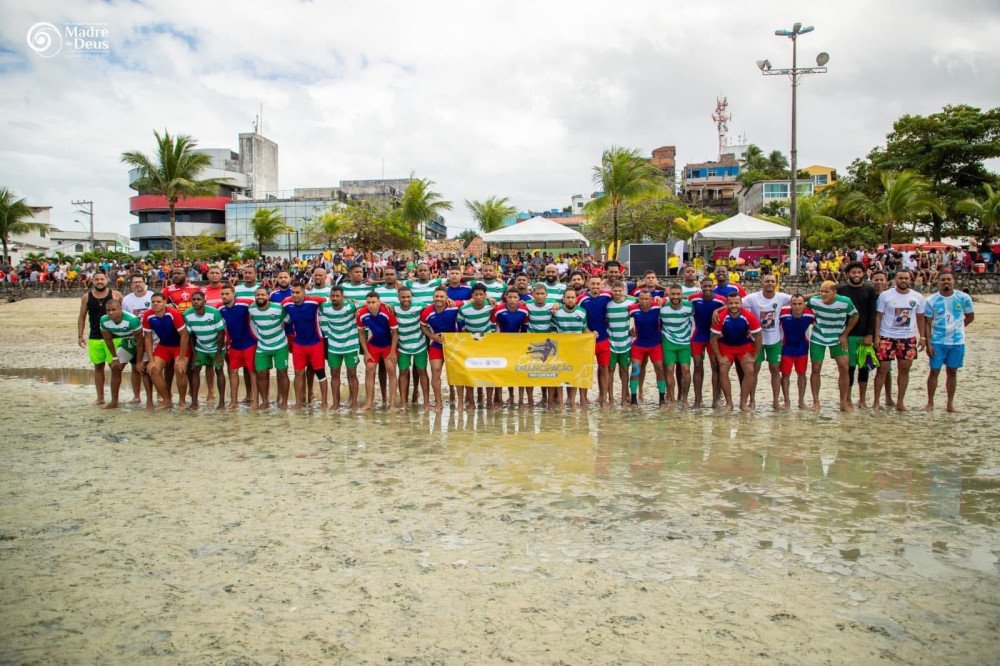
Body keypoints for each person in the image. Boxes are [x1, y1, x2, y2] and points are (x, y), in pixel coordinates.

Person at [873, 270, 926, 412]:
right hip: (887, 336)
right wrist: (876, 336)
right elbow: (878, 316)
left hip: (907, 338)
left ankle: (900, 402)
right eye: (900, 277)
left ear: (910, 280)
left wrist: (922, 337)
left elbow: (921, 317)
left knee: (904, 370)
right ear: (895, 279)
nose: (903, 280)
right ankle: (876, 401)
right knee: (882, 370)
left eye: (906, 278)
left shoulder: (918, 297)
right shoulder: (885, 295)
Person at [924, 272, 974, 412]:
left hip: (957, 342)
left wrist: (958, 328)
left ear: (953, 282)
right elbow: (927, 323)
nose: (946, 282)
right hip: (937, 342)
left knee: (952, 372)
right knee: (934, 371)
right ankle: (930, 403)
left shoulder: (963, 298)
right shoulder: (931, 300)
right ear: (938, 282)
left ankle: (950, 403)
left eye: (948, 279)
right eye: (943, 280)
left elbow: (970, 316)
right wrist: (928, 343)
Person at [806, 281, 859, 412]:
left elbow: (855, 315)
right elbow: (797, 300)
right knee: (816, 367)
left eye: (826, 291)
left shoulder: (845, 301)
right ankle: (816, 401)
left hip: (837, 337)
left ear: (835, 292)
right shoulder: (814, 301)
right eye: (822, 291)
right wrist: (816, 294)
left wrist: (845, 334)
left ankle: (843, 401)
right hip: (818, 336)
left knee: (844, 367)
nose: (823, 294)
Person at [742, 274, 791, 410]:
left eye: (772, 281)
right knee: (754, 371)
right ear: (762, 283)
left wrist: (820, 294)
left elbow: (800, 300)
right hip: (756, 340)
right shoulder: (753, 298)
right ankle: (752, 400)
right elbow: (735, 304)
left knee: (775, 370)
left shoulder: (781, 297)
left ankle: (775, 402)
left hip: (774, 341)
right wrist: (718, 310)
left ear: (776, 283)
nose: (770, 283)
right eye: (767, 281)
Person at [77, 271, 124, 405]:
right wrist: (80, 335)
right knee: (98, 368)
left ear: (107, 280)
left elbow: (125, 313)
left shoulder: (116, 295)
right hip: (95, 337)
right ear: (92, 281)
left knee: (115, 368)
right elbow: (82, 316)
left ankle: (115, 398)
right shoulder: (86, 297)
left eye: (102, 279)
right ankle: (100, 397)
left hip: (115, 337)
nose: (99, 281)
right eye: (96, 279)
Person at [710, 292, 762, 412]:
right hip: (726, 346)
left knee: (750, 370)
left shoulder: (749, 316)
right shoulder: (721, 316)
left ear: (741, 304)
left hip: (744, 346)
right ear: (727, 304)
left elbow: (758, 336)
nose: (734, 306)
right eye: (731, 303)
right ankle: (729, 403)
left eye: (737, 303)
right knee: (723, 370)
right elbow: (713, 338)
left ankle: (743, 403)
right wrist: (719, 357)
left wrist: (754, 357)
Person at [838, 261, 879, 408]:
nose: (856, 275)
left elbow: (872, 314)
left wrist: (870, 335)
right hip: (846, 335)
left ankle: (862, 400)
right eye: (853, 272)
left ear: (864, 273)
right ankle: (847, 398)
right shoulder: (841, 289)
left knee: (864, 367)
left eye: (859, 272)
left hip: (864, 335)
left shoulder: (869, 290)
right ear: (847, 274)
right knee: (848, 368)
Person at [283, 282, 329, 409]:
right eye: (293, 292)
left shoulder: (313, 302)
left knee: (320, 372)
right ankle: (298, 402)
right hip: (299, 344)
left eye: (298, 292)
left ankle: (324, 403)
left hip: (316, 343)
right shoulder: (287, 303)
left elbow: (330, 299)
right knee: (298, 373)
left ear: (304, 292)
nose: (295, 295)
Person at [141, 293, 189, 410]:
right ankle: (167, 400)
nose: (155, 304)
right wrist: (151, 360)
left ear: (164, 302)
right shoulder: (148, 315)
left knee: (180, 369)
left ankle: (182, 401)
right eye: (153, 302)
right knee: (153, 370)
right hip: (164, 345)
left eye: (158, 302)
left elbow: (184, 335)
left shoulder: (173, 314)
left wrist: (182, 358)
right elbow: (147, 338)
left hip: (179, 345)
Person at [182, 291, 226, 410]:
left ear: (204, 301)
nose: (196, 301)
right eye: (194, 299)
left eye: (198, 299)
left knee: (219, 370)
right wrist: (194, 354)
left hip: (216, 346)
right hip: (200, 346)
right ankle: (194, 402)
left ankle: (221, 402)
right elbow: (191, 336)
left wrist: (218, 354)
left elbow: (221, 333)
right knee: (195, 370)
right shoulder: (187, 314)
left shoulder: (214, 313)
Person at [421, 287, 463, 411]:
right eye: (436, 296)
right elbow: (423, 326)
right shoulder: (427, 311)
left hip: (453, 345)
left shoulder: (454, 306)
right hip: (436, 344)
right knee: (436, 371)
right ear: (433, 297)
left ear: (446, 298)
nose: (439, 299)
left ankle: (460, 402)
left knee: (456, 373)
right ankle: (438, 402)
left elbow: (471, 300)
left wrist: (488, 298)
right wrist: (431, 336)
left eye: (441, 296)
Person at [356, 291, 399, 412]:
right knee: (369, 370)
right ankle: (369, 403)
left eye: (373, 302)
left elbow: (395, 333)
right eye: (368, 302)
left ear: (379, 302)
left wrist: (392, 352)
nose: (371, 305)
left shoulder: (387, 312)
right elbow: (361, 334)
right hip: (372, 345)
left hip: (388, 345)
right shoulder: (361, 314)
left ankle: (392, 404)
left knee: (391, 370)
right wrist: (366, 352)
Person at [98, 299, 145, 409]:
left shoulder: (132, 320)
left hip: (140, 343)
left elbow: (140, 342)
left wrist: (139, 361)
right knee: (115, 367)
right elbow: (108, 340)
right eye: (108, 310)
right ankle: (114, 401)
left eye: (114, 310)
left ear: (120, 309)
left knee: (142, 369)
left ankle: (143, 399)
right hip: (126, 342)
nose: (110, 313)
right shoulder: (104, 320)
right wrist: (114, 358)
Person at [319, 285, 361, 410]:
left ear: (343, 297)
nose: (335, 298)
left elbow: (368, 304)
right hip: (333, 346)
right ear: (329, 297)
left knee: (352, 373)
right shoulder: (324, 308)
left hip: (350, 345)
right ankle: (336, 403)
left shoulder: (352, 306)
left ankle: (354, 402)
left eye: (338, 296)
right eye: (333, 296)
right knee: (334, 373)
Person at [249, 286, 291, 409]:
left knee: (282, 372)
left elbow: (288, 320)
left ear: (268, 297)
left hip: (280, 345)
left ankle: (284, 401)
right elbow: (251, 323)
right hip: (262, 346)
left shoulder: (278, 308)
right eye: (258, 295)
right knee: (261, 373)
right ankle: (265, 401)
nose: (260, 297)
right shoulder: (251, 309)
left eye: (263, 295)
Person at [218, 285, 258, 409]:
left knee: (252, 372)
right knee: (233, 372)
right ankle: (234, 401)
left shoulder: (246, 304)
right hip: (234, 345)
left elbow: (261, 307)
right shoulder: (220, 309)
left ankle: (255, 401)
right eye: (222, 294)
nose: (224, 296)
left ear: (234, 294)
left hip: (249, 343)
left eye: (227, 294)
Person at [491, 288, 530, 408]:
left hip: (517, 343)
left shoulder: (524, 310)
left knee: (519, 371)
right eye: (510, 297)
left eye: (515, 297)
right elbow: (493, 326)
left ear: (519, 299)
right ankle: (500, 398)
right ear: (506, 298)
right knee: (501, 370)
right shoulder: (498, 310)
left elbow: (524, 328)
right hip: (501, 343)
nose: (512, 300)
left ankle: (520, 400)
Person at [578, 275, 613, 407]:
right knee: (585, 369)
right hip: (587, 341)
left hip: (603, 339)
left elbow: (624, 298)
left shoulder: (607, 296)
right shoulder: (582, 299)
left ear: (601, 285)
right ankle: (583, 399)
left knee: (604, 368)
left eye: (598, 284)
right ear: (588, 284)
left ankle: (603, 398)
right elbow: (574, 313)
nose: (596, 286)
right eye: (593, 284)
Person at [690, 277, 725, 408]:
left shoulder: (720, 300)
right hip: (698, 336)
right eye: (705, 286)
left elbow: (734, 304)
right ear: (701, 286)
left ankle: (716, 399)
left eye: (710, 286)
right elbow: (680, 300)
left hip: (713, 337)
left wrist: (717, 310)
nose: (707, 289)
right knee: (697, 366)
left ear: (714, 286)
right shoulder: (694, 298)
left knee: (715, 367)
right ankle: (698, 400)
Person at [627, 290, 666, 406]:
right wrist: (629, 331)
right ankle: (634, 399)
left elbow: (670, 300)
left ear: (651, 299)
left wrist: (662, 298)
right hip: (639, 345)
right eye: (641, 299)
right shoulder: (633, 309)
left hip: (655, 344)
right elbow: (621, 317)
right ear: (638, 299)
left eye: (647, 299)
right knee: (635, 370)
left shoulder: (657, 307)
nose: (644, 301)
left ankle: (662, 398)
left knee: (659, 369)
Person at [553, 286, 590, 408]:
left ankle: (572, 401)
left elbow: (584, 329)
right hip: (561, 349)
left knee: (574, 375)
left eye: (572, 297)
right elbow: (551, 329)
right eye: (567, 297)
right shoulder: (556, 311)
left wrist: (592, 334)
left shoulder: (582, 312)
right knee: (559, 375)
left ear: (576, 299)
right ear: (563, 299)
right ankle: (561, 402)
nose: (570, 299)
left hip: (577, 349)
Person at [395, 286, 430, 411]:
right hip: (402, 346)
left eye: (408, 297)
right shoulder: (394, 307)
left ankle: (426, 402)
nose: (406, 299)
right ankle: (404, 403)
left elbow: (434, 307)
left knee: (422, 372)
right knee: (403, 372)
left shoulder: (420, 305)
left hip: (419, 345)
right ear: (398, 297)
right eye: (403, 297)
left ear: (412, 297)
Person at [659, 284, 695, 408]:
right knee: (669, 369)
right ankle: (672, 399)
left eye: (678, 294)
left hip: (685, 341)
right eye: (672, 294)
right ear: (669, 295)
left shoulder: (689, 306)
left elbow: (694, 322)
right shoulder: (662, 307)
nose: (675, 297)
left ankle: (684, 399)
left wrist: (691, 337)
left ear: (682, 295)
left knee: (686, 369)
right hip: (668, 341)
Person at [121, 274, 154, 404]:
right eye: (135, 282)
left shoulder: (152, 296)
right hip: (135, 337)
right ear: (131, 285)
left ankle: (155, 396)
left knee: (151, 368)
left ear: (144, 283)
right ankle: (136, 396)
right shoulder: (126, 300)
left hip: (152, 336)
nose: (137, 284)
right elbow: (125, 318)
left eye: (140, 282)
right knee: (135, 367)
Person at [778, 295, 815, 410]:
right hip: (786, 348)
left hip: (802, 348)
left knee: (802, 374)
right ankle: (787, 401)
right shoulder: (783, 313)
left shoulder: (810, 314)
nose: (797, 306)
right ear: (790, 304)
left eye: (800, 304)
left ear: (804, 304)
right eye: (794, 304)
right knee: (785, 375)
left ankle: (801, 401)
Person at [605, 281, 635, 406]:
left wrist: (635, 328)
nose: (617, 293)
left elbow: (642, 309)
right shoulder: (607, 304)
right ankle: (611, 398)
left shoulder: (631, 302)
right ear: (611, 291)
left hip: (626, 342)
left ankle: (623, 398)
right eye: (615, 291)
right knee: (610, 370)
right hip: (611, 342)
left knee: (624, 370)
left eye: (619, 291)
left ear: (623, 290)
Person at [870, 270, 895, 407]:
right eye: (876, 279)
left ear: (886, 281)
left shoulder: (891, 296)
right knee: (865, 367)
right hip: (869, 334)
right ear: (871, 280)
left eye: (881, 280)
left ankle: (888, 397)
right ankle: (868, 399)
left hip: (886, 335)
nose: (878, 282)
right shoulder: (869, 295)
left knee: (886, 369)